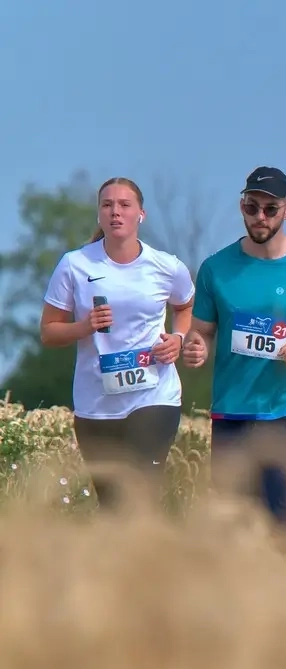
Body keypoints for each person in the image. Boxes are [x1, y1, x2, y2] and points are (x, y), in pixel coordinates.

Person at [182, 167, 286, 530]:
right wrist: (196, 347)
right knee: (234, 519)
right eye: (251, 207)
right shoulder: (216, 268)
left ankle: (284, 565)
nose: (260, 216)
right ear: (241, 206)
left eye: (270, 209)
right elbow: (202, 331)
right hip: (232, 410)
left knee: (278, 513)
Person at [40, 176, 195, 512]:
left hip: (154, 395)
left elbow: (185, 305)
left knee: (141, 492)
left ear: (141, 214)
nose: (115, 212)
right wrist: (84, 327)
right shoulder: (75, 265)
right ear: (99, 214)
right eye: (107, 205)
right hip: (96, 403)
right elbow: (49, 332)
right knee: (113, 507)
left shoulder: (166, 266)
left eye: (125, 205)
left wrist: (178, 339)